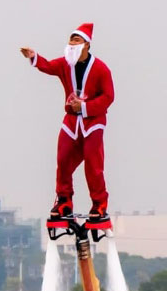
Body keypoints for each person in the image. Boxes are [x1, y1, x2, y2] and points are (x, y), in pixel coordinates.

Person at [19, 23, 114, 233]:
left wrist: (86, 107)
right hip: (71, 120)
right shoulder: (65, 64)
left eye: (76, 40)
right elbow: (49, 66)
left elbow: (109, 97)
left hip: (93, 121)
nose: (72, 44)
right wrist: (34, 57)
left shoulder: (100, 69)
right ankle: (64, 200)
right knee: (62, 159)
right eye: (70, 40)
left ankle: (99, 204)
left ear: (87, 45)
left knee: (93, 162)